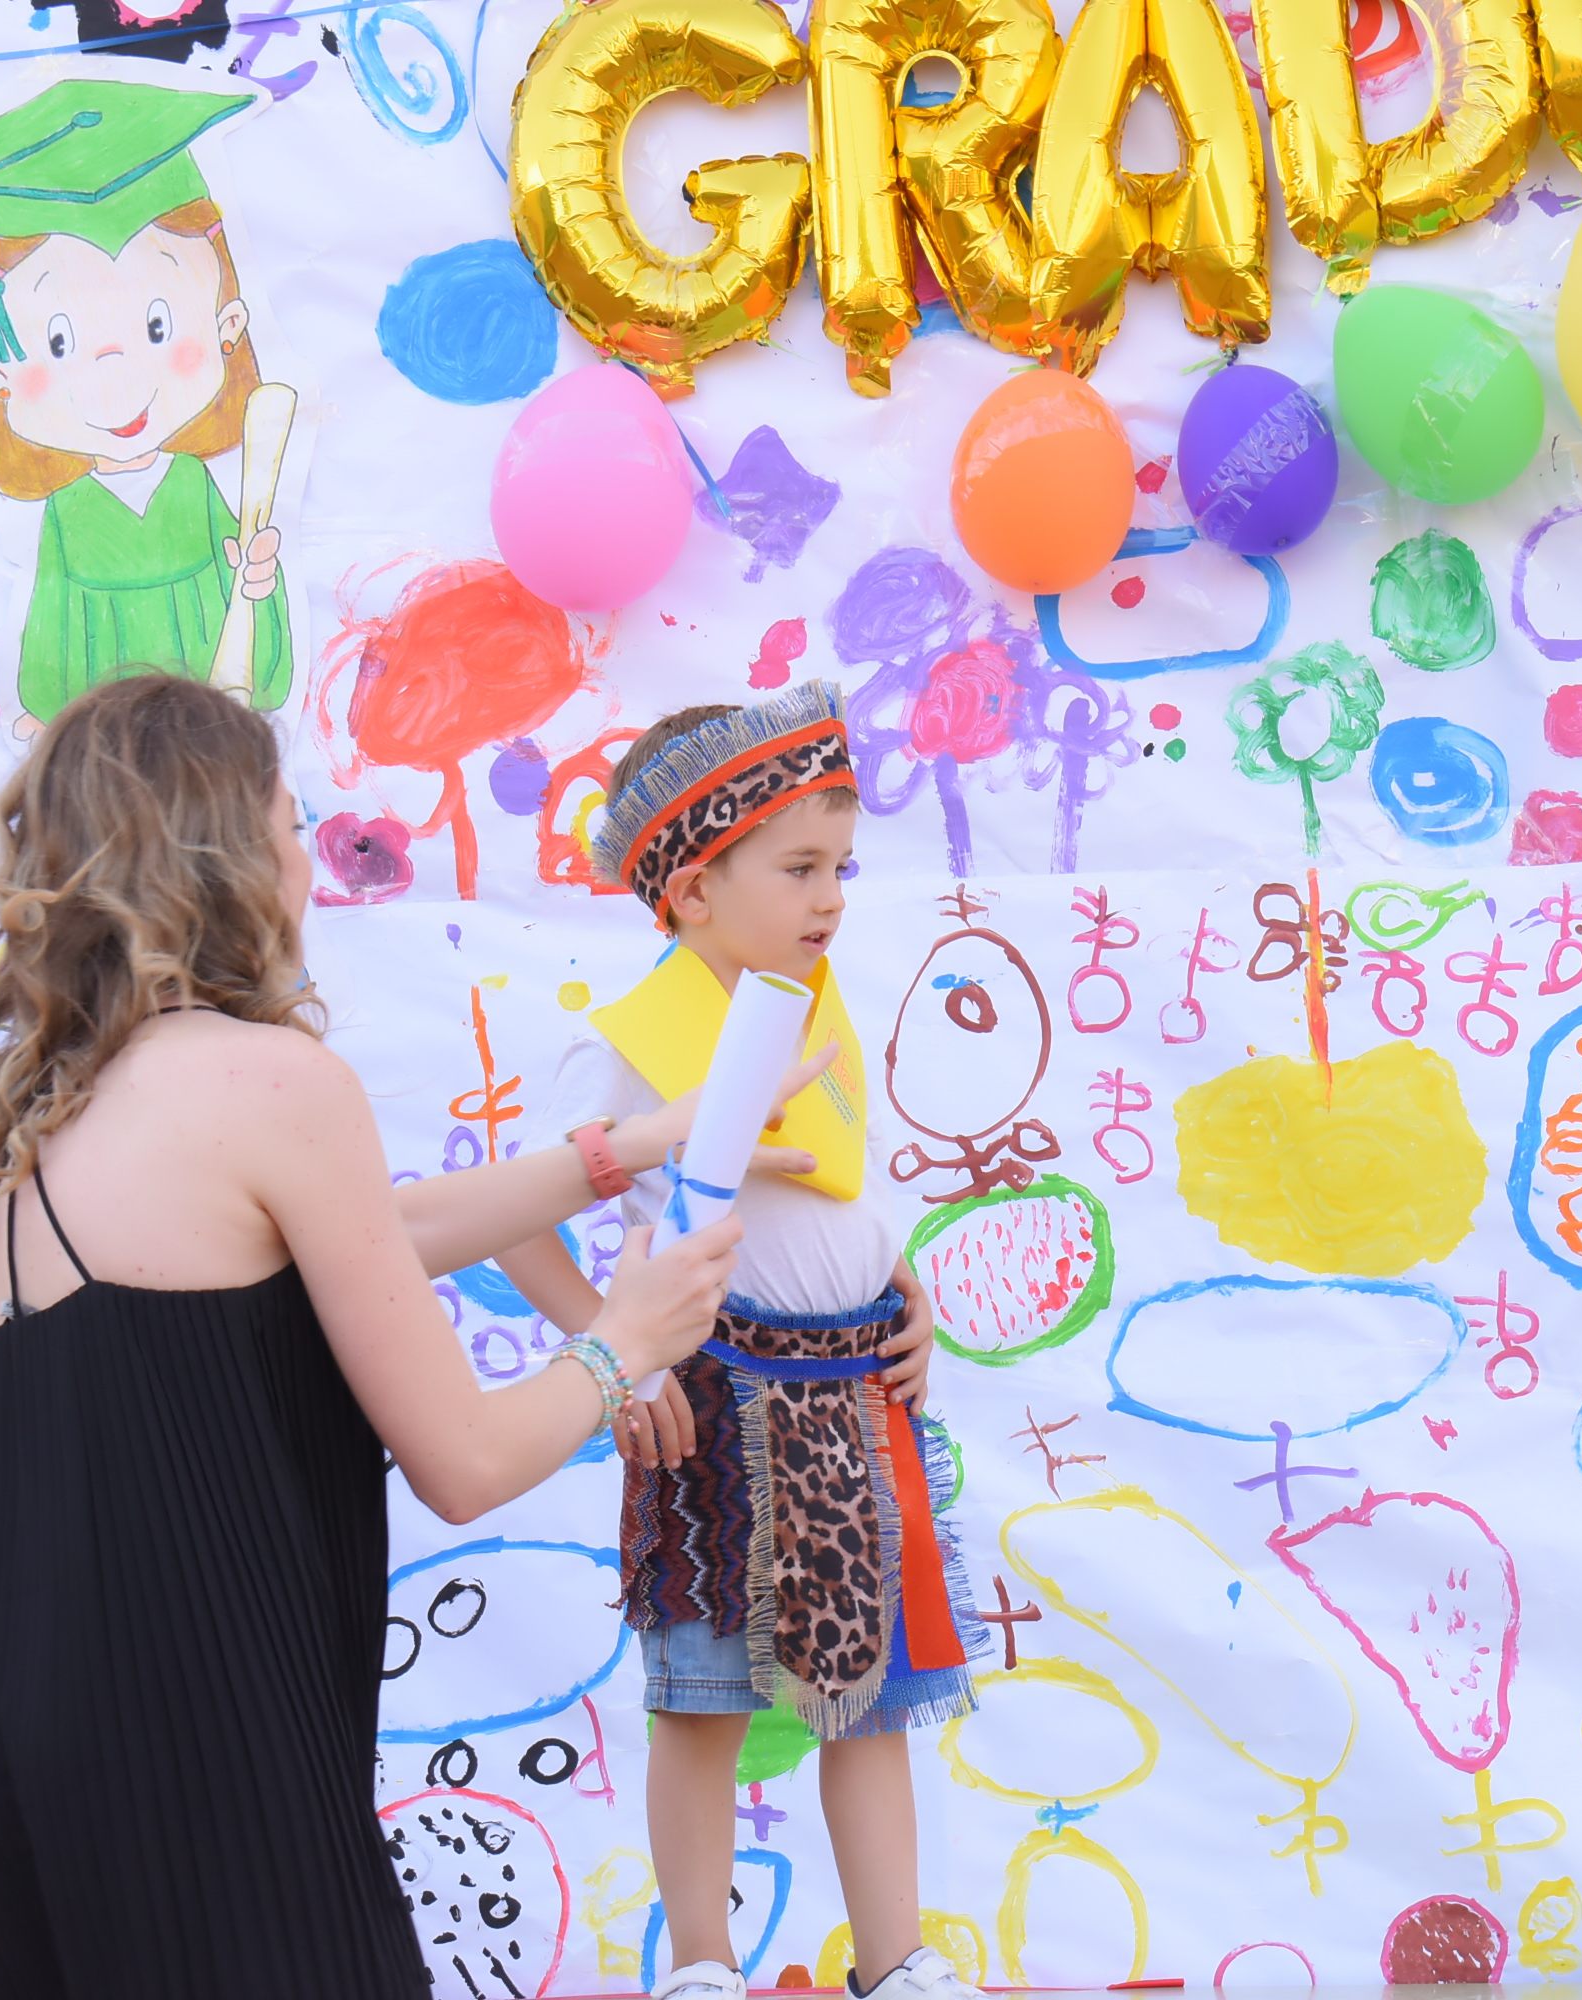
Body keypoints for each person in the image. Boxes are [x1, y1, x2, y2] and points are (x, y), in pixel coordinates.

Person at [0, 673, 771, 1996]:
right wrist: (623, 1345)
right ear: (226, 853)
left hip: (10, 1757)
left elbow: (347, 1242)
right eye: (292, 821)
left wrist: (609, 1156)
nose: (310, 860)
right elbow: (466, 1458)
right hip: (198, 1758)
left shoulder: (46, 1112)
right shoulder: (273, 1083)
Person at [496, 682, 989, 2000]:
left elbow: (831, 1200)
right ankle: (702, 1968)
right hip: (712, 1398)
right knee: (703, 1699)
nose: (832, 895)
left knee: (870, 1701)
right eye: (799, 866)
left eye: (843, 866)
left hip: (856, 1388)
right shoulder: (631, 1050)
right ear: (692, 889)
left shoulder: (811, 1011)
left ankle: (899, 1963)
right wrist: (610, 1351)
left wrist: (905, 1289)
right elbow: (518, 1222)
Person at [0, 76, 294, 726]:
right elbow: (54, 622)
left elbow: (250, 630)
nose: (114, 377)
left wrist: (255, 586)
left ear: (228, 328)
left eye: (159, 328)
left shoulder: (196, 485)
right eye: (58, 340)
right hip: (105, 743)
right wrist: (51, 713)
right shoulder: (69, 512)